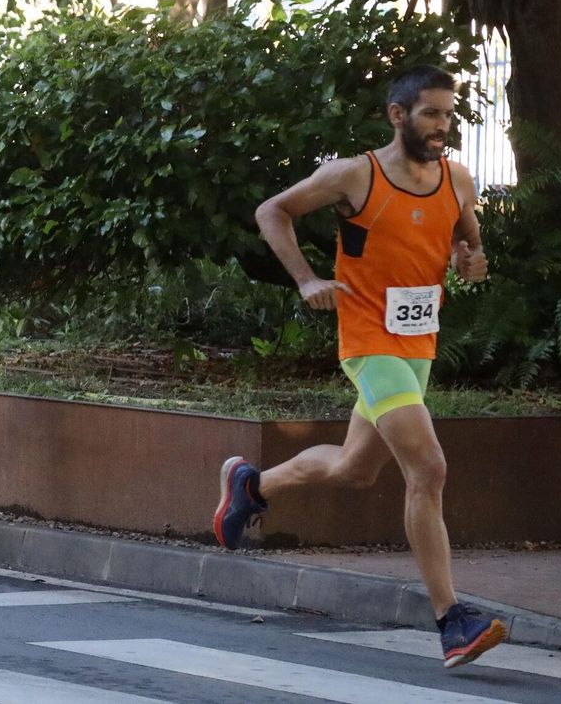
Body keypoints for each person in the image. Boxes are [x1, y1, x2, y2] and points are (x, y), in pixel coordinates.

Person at [215, 65, 506, 668]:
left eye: (448, 114)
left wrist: (470, 261)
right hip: (369, 340)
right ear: (398, 115)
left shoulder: (457, 178)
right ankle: (452, 621)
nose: (442, 125)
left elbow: (468, 245)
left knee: (355, 469)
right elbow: (273, 211)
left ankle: (251, 486)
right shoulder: (356, 175)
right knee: (428, 468)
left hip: (418, 343)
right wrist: (306, 280)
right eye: (430, 113)